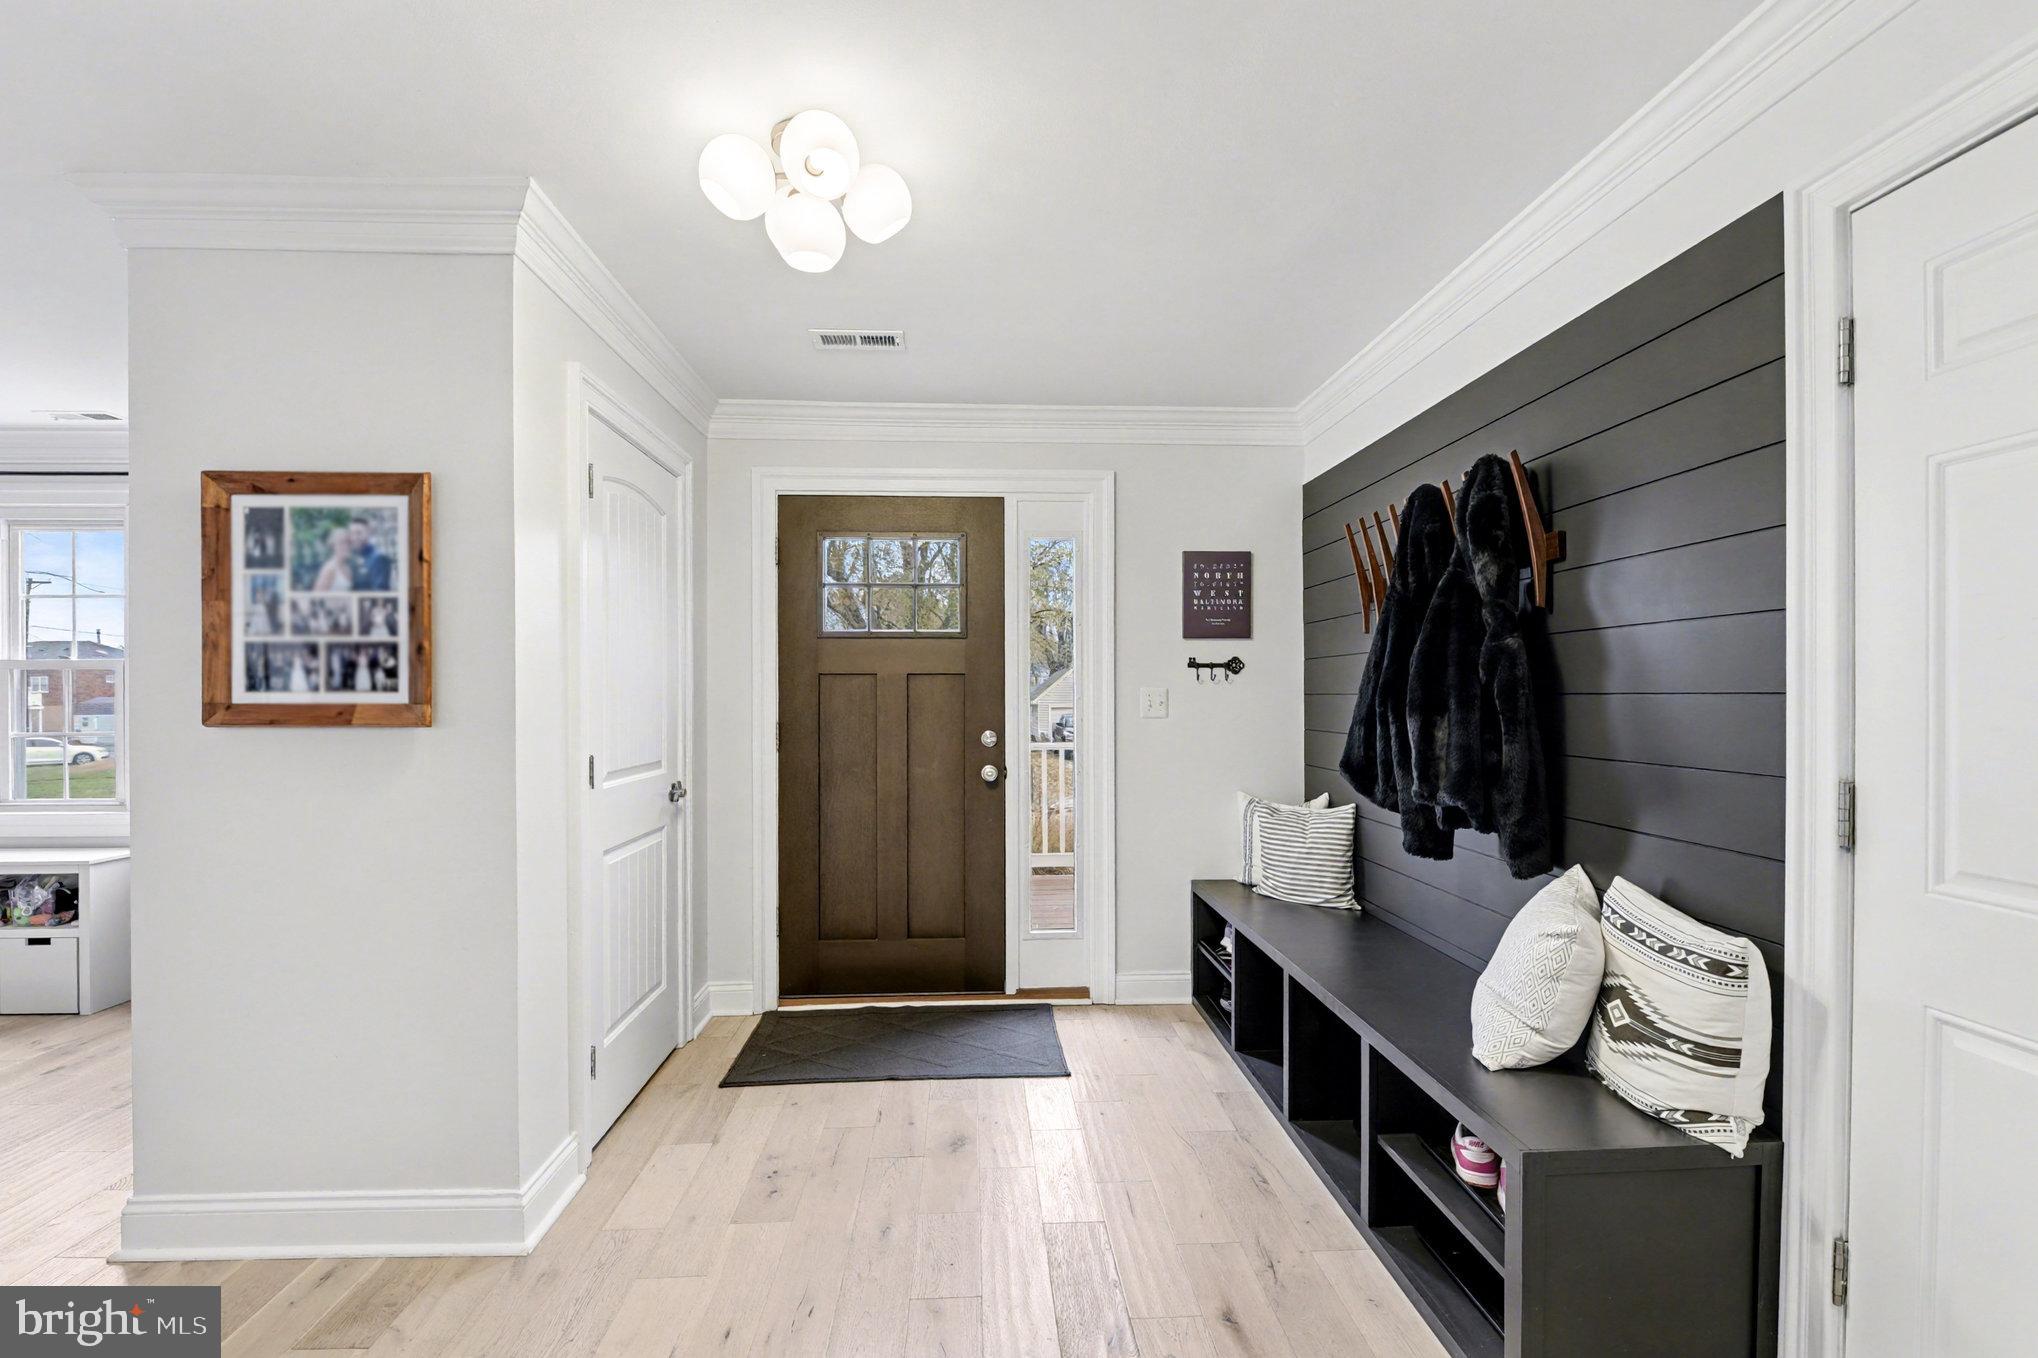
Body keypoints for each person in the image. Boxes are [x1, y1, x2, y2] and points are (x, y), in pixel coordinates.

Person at [348, 516, 393, 590]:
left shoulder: (380, 558)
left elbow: (380, 592)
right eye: (352, 533)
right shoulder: (351, 557)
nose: (354, 537)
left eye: (359, 533)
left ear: (368, 533)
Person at [312, 526, 354, 592]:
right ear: (333, 545)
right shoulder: (330, 568)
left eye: (348, 542)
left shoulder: (348, 567)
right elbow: (316, 597)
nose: (346, 546)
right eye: (341, 543)